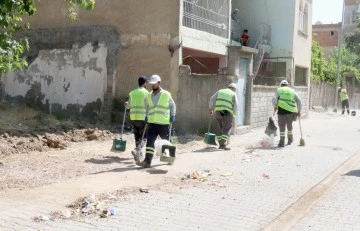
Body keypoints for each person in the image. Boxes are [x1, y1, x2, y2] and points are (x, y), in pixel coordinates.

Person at [137, 74, 176, 168]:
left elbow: (172, 105)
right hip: (152, 123)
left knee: (166, 141)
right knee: (150, 143)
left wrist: (173, 115)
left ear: (159, 83)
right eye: (152, 84)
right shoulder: (149, 95)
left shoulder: (166, 94)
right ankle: (147, 161)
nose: (153, 85)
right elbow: (147, 107)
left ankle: (169, 158)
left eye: (154, 84)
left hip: (163, 123)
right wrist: (146, 116)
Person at [124, 76, 149, 162]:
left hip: (133, 118)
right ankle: (137, 150)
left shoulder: (132, 93)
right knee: (144, 137)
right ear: (145, 83)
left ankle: (138, 154)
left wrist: (126, 104)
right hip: (143, 118)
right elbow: (148, 106)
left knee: (137, 136)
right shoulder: (147, 93)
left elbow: (128, 106)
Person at [272, 80, 302, 147]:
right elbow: (299, 100)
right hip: (291, 112)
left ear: (281, 85)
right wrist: (299, 110)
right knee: (289, 126)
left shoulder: (279, 90)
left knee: (282, 127)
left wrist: (275, 106)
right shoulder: (292, 91)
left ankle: (282, 142)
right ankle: (290, 140)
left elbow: (274, 99)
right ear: (287, 85)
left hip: (281, 112)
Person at [209, 83, 238, 150]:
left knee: (219, 127)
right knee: (227, 127)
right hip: (227, 112)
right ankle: (223, 144)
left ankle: (221, 144)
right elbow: (236, 105)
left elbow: (211, 99)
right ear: (234, 89)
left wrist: (210, 109)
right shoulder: (233, 94)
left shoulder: (220, 91)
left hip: (218, 112)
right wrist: (234, 114)